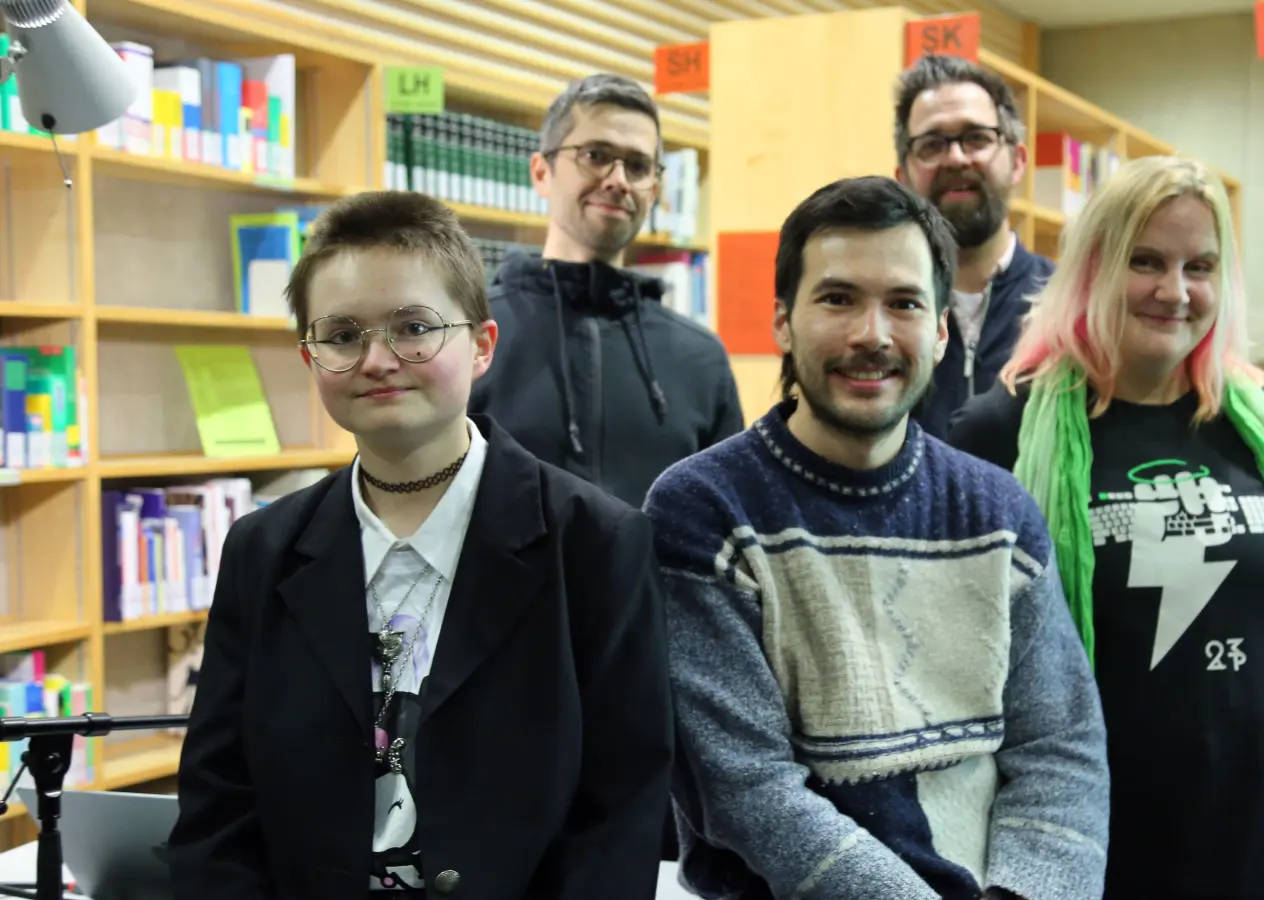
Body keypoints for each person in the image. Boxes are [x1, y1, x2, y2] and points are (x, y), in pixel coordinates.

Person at [168, 190, 673, 900]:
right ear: (310, 357)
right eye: (343, 335)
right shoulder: (263, 549)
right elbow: (218, 803)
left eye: (414, 328)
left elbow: (620, 816)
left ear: (482, 345)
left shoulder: (596, 543)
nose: (378, 359)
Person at [946, 156, 1264, 900]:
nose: (1175, 291)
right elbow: (956, 672)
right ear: (1094, 269)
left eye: (1200, 266)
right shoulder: (997, 434)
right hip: (1090, 861)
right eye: (1146, 262)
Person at [643, 175, 1110, 900]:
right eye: (838, 299)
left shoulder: (1000, 513)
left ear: (941, 330)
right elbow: (748, 789)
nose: (872, 334)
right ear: (782, 322)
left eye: (904, 303)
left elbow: (1061, 750)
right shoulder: (703, 511)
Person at [470, 72, 743, 510]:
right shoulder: (470, 339)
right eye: (595, 156)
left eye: (637, 166)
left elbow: (726, 520)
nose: (618, 180)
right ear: (541, 172)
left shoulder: (701, 360)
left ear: (653, 190)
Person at [893, 53, 1055, 439]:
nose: (955, 158)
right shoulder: (883, 314)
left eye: (977, 138)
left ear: (1017, 162)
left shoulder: (1070, 305)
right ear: (903, 177)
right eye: (931, 144)